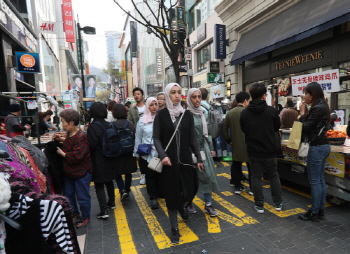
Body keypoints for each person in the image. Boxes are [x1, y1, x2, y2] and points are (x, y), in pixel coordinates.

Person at [153, 83, 204, 245]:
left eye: (179, 92)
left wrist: (199, 158)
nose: (176, 95)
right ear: (168, 95)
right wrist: (163, 155)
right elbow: (156, 138)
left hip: (185, 161)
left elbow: (193, 139)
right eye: (173, 92)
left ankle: (182, 206)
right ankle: (174, 227)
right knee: (171, 194)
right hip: (169, 164)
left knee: (190, 188)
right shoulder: (161, 115)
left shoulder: (186, 115)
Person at [240, 83, 282, 214]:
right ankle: (278, 203)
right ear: (264, 95)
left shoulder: (245, 113)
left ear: (251, 96)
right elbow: (276, 127)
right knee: (273, 176)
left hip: (253, 150)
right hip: (270, 150)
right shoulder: (272, 111)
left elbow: (243, 129)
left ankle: (259, 205)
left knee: (256, 177)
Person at [53, 109, 92, 228]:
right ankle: (75, 214)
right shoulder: (70, 134)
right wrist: (61, 140)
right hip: (69, 171)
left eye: (63, 122)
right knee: (68, 195)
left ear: (71, 123)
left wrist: (62, 153)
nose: (62, 124)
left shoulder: (82, 136)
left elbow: (76, 156)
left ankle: (85, 216)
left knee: (82, 196)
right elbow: (71, 142)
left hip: (82, 172)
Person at [298, 82, 331, 221]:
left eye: (306, 93)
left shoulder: (318, 108)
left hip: (316, 147)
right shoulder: (322, 106)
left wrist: (301, 114)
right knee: (320, 180)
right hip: (323, 146)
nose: (304, 96)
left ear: (313, 94)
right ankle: (320, 210)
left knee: (315, 181)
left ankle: (314, 211)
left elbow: (305, 127)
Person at [186, 88, 220, 216]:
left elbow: (209, 132)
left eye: (199, 96)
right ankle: (188, 202)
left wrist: (211, 148)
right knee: (191, 178)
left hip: (204, 147)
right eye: (194, 97)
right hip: (190, 149)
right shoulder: (186, 114)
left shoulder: (203, 112)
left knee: (207, 175)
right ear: (189, 98)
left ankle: (208, 204)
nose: (197, 99)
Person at [87, 102, 118, 220]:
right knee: (109, 181)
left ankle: (103, 210)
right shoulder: (109, 124)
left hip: (98, 159)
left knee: (99, 184)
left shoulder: (92, 127)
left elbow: (92, 145)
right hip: (110, 157)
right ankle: (112, 203)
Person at [223, 91, 253, 195]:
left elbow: (224, 128)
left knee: (236, 165)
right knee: (251, 166)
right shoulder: (249, 112)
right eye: (249, 100)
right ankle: (253, 188)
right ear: (245, 101)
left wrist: (228, 140)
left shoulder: (230, 113)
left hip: (235, 144)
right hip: (249, 144)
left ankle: (238, 187)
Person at [134, 97, 160, 209]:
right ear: (147, 107)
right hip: (146, 153)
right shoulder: (142, 120)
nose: (154, 107)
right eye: (151, 104)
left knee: (159, 175)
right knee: (149, 177)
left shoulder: (161, 119)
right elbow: (138, 137)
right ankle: (153, 198)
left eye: (156, 104)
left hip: (159, 152)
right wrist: (136, 153)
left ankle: (160, 193)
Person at [113, 104, 138, 201]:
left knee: (117, 173)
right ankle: (127, 190)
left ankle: (122, 190)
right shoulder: (130, 124)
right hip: (129, 151)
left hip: (118, 152)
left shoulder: (113, 125)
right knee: (128, 172)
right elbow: (135, 137)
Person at [128, 87, 146, 185]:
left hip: (149, 134)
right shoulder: (132, 109)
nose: (136, 96)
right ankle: (143, 175)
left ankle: (151, 173)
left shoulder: (148, 106)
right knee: (141, 156)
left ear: (142, 95)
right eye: (135, 94)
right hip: (138, 136)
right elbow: (130, 123)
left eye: (138, 94)